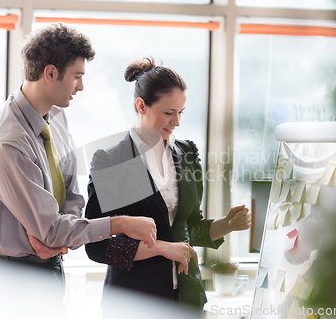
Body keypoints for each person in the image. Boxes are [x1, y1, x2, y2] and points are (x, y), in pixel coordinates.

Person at [0, 23, 156, 319]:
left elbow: (71, 190)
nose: (81, 86)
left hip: (49, 268)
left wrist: (58, 235)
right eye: (77, 76)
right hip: (10, 279)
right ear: (50, 73)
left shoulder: (56, 115)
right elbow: (52, 229)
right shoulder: (8, 141)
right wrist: (119, 224)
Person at [83, 57, 252, 313]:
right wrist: (161, 248)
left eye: (181, 112)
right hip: (134, 302)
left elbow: (188, 229)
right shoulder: (114, 160)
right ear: (141, 106)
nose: (177, 122)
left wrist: (226, 225)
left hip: (187, 299)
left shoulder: (187, 154)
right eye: (169, 113)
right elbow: (96, 245)